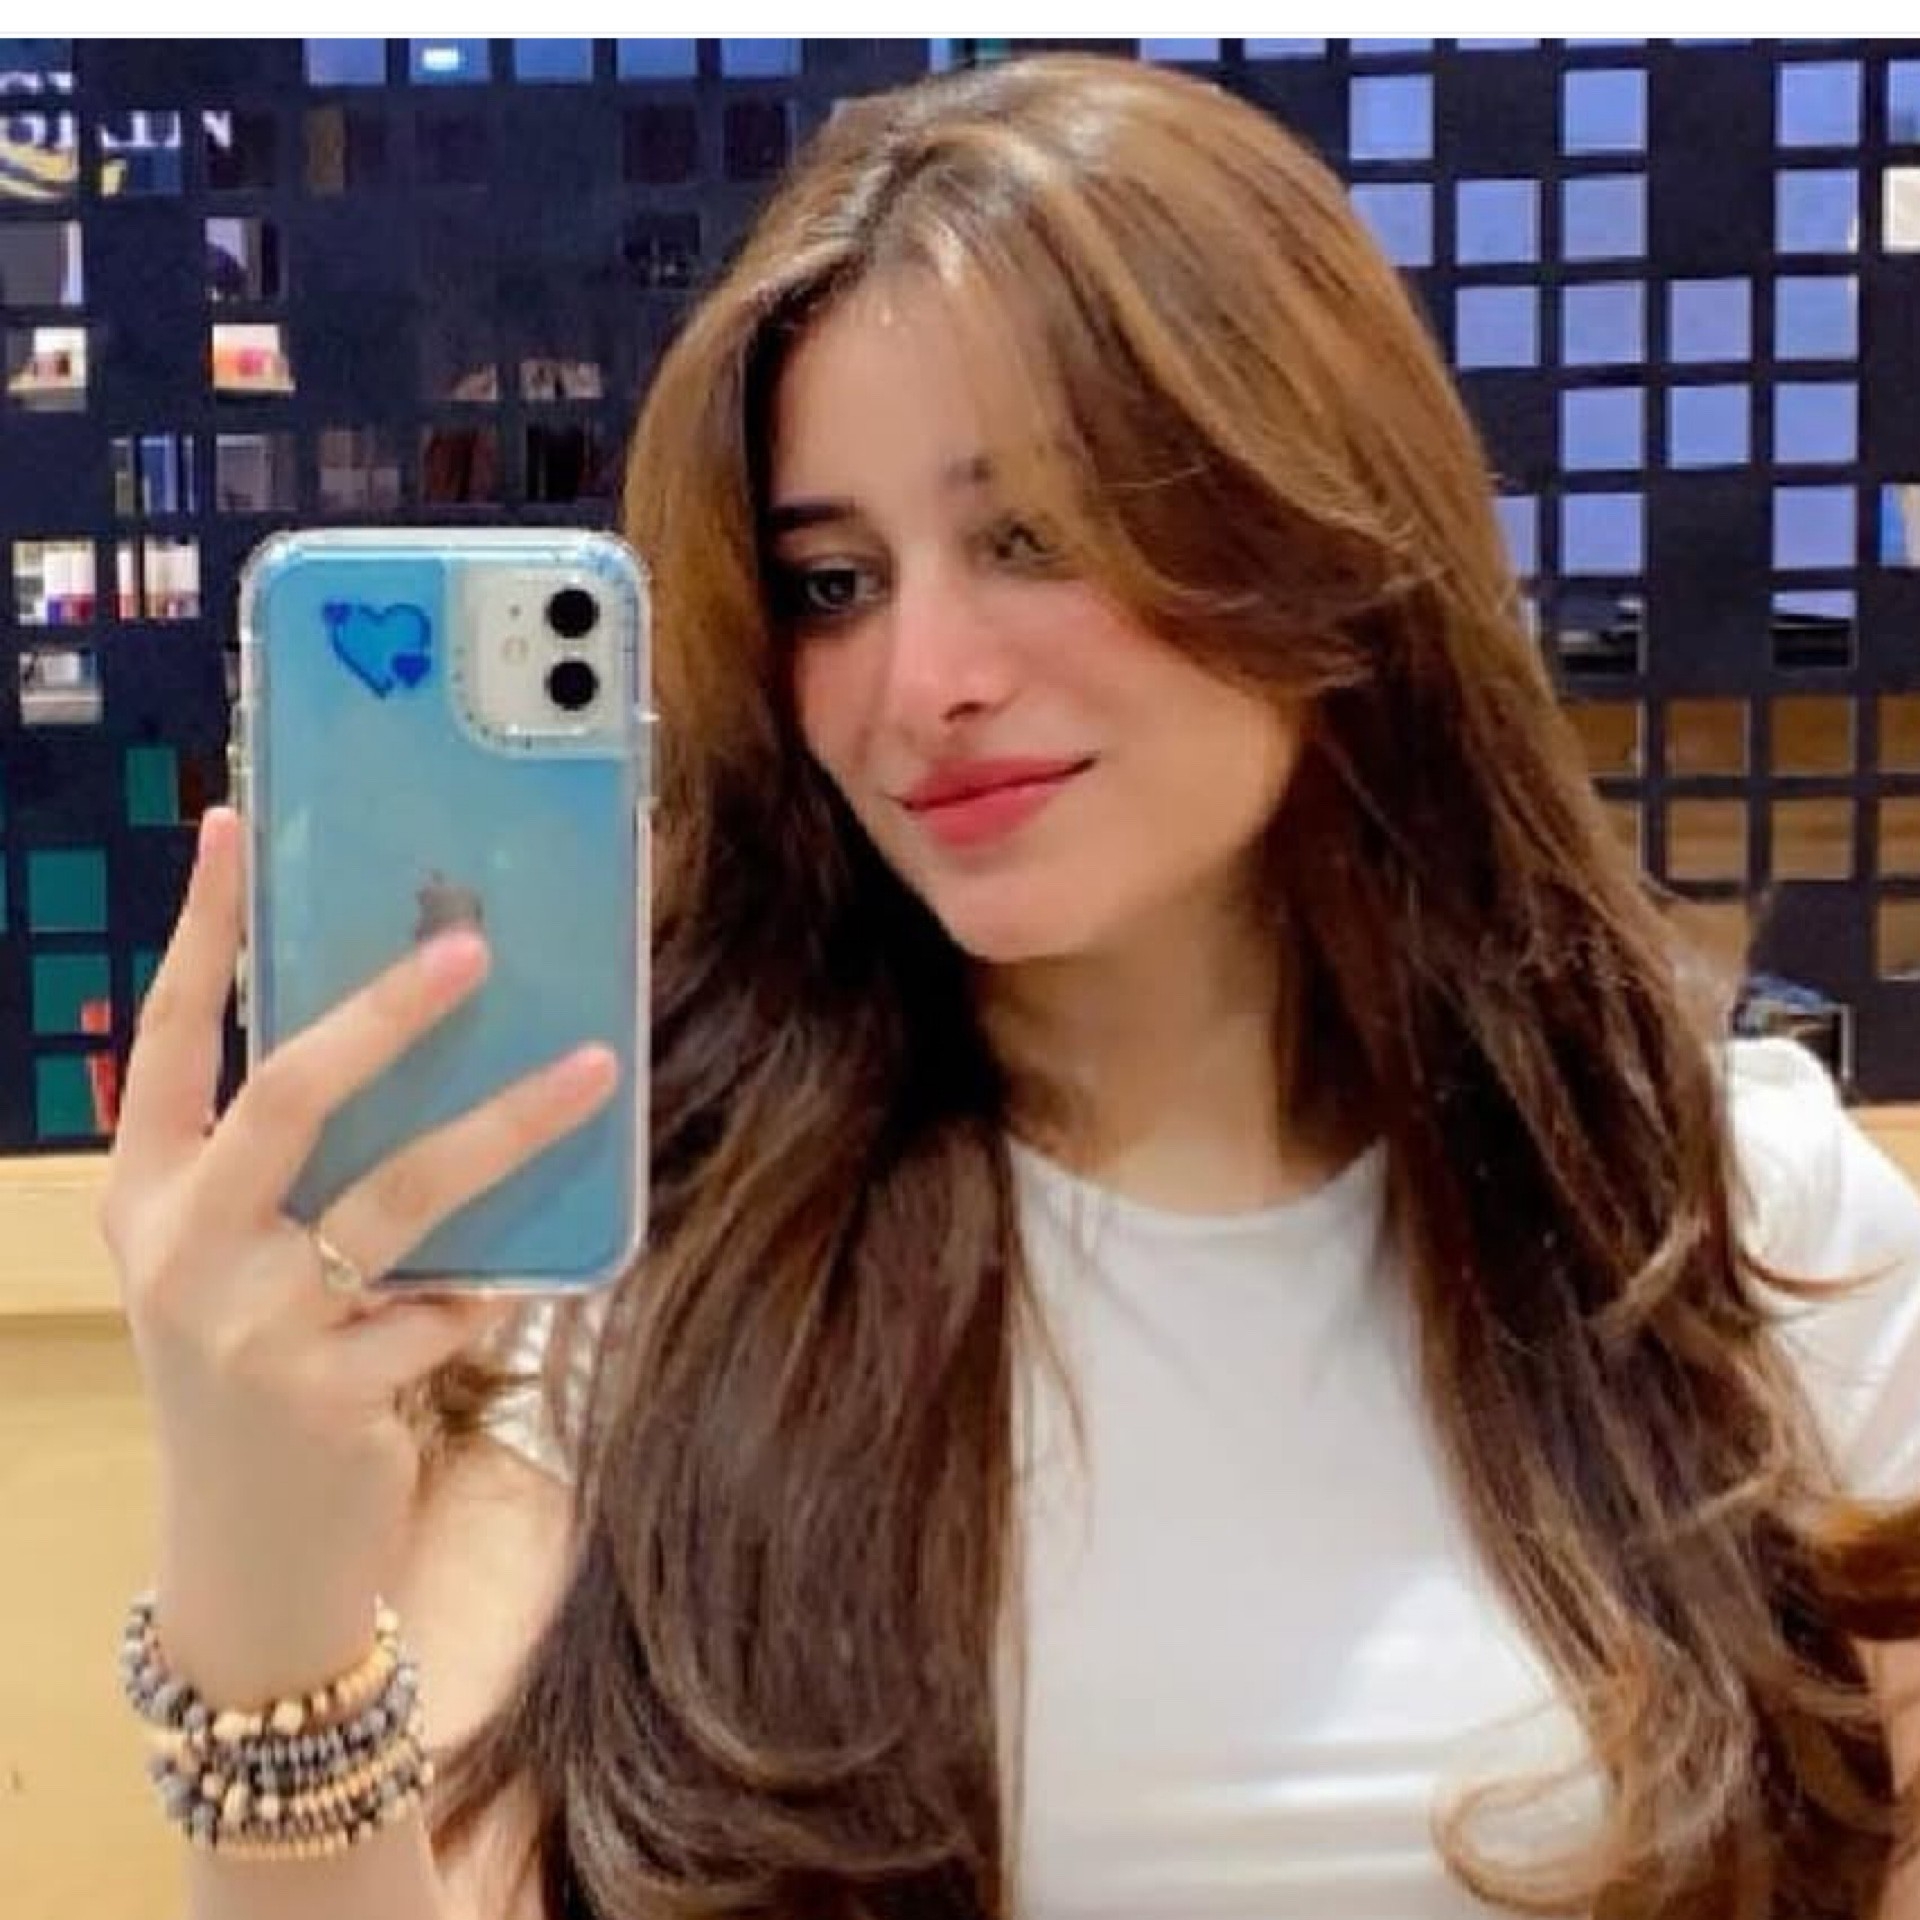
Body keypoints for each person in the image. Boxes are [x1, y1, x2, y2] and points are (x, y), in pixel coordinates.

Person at [102, 51, 1920, 1920]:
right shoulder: (648, 1265)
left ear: (1313, 529)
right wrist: (264, 1584)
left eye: (1031, 537)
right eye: (834, 584)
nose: (926, 683)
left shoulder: (1729, 1220)